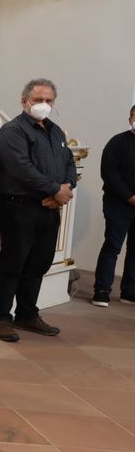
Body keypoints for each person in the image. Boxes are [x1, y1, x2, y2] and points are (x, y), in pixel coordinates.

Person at [0, 79, 76, 341]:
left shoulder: (56, 132)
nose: (44, 105)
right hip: (18, 205)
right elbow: (20, 168)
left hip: (48, 207)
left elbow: (69, 163)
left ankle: (27, 314)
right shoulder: (12, 131)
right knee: (13, 263)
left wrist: (66, 188)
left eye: (49, 100)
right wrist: (55, 189)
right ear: (25, 100)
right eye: (38, 100)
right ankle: (0, 318)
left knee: (39, 263)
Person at [91, 104, 135, 306]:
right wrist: (130, 197)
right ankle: (101, 290)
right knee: (112, 246)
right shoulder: (118, 142)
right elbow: (109, 175)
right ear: (130, 119)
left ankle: (129, 291)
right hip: (118, 204)